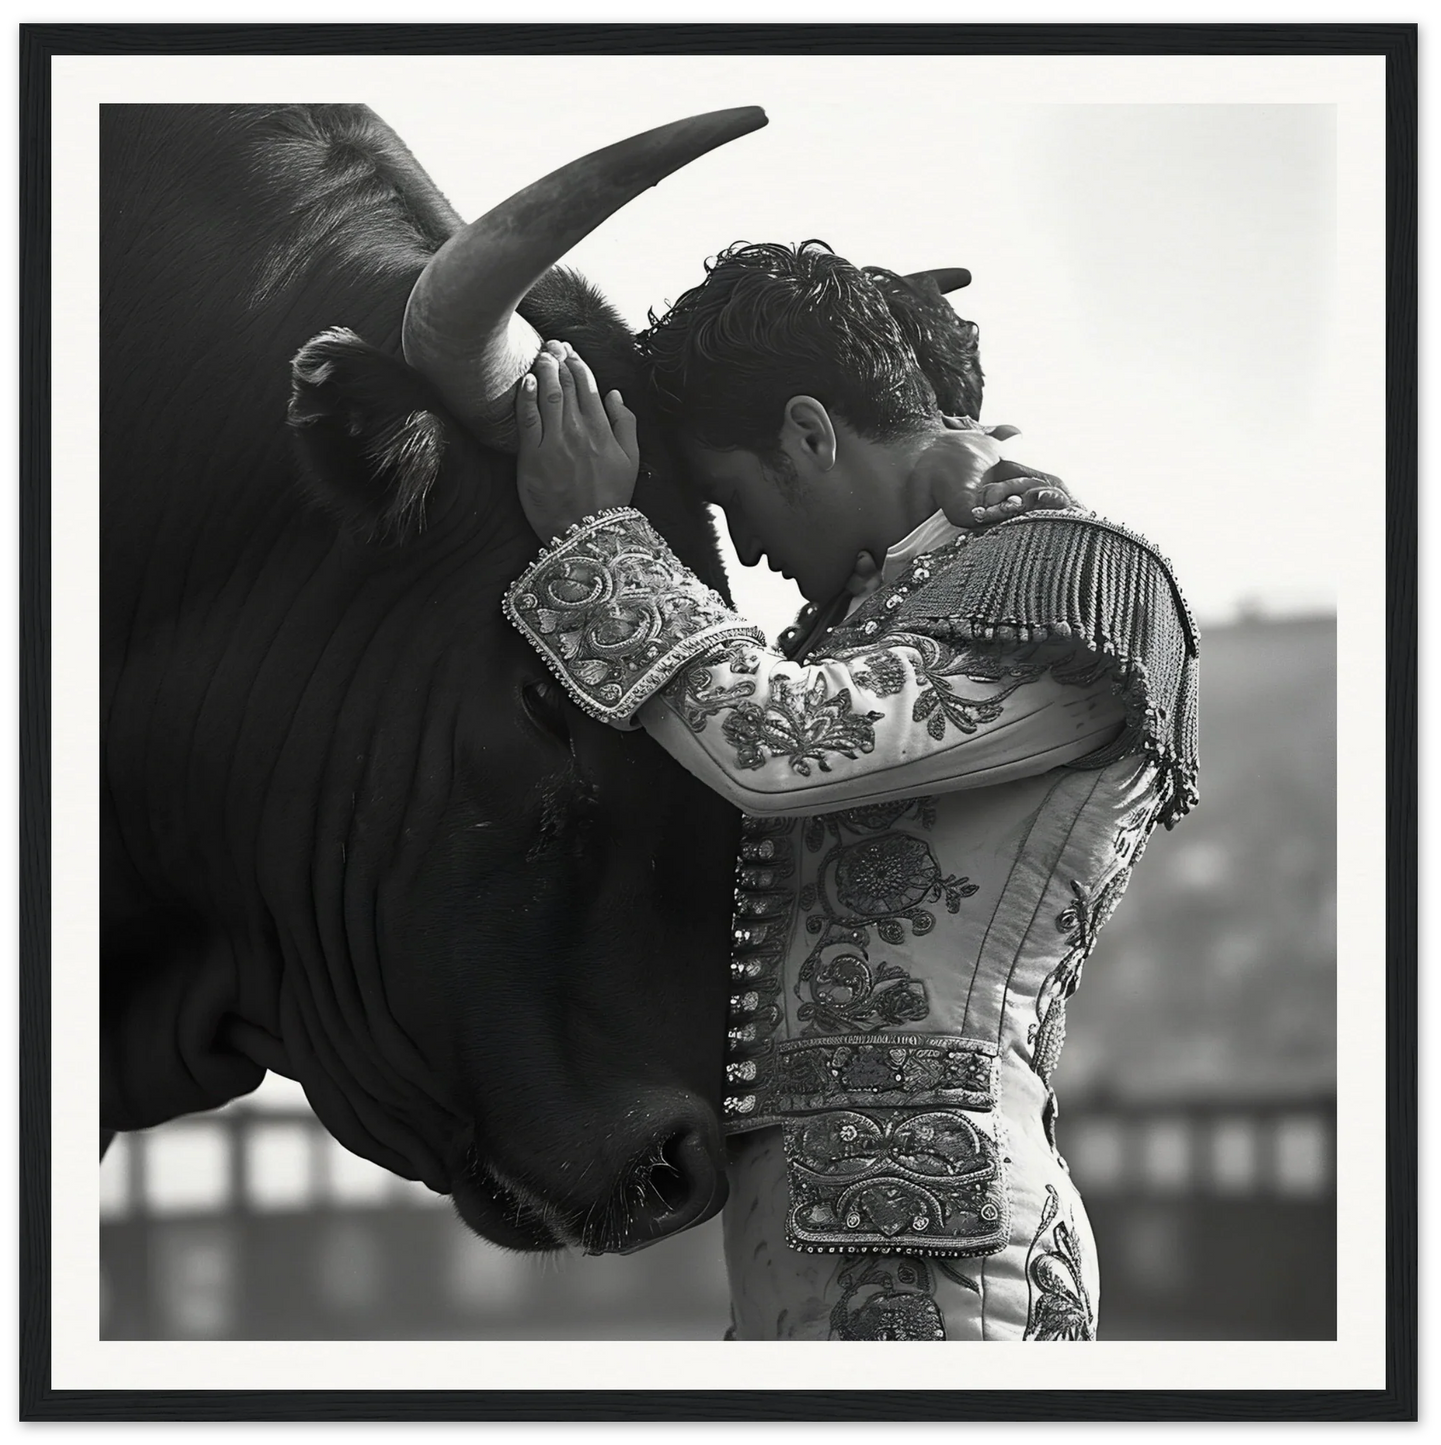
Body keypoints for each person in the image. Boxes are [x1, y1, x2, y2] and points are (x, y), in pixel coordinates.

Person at [501, 242, 1199, 1341]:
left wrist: (598, 539)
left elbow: (776, 743)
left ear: (810, 432)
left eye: (730, 497)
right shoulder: (875, 611)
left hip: (950, 1257)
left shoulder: (1078, 581)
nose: (745, 552)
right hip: (816, 1248)